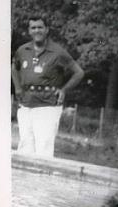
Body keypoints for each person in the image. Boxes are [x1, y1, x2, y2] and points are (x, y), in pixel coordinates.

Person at [11, 15, 84, 157]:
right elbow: (14, 68)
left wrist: (63, 90)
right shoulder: (22, 50)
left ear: (46, 30)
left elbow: (79, 72)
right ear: (29, 31)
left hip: (47, 105)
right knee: (25, 146)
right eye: (33, 27)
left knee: (43, 147)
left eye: (40, 27)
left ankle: (42, 179)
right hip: (26, 103)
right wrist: (18, 87)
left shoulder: (58, 52)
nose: (36, 30)